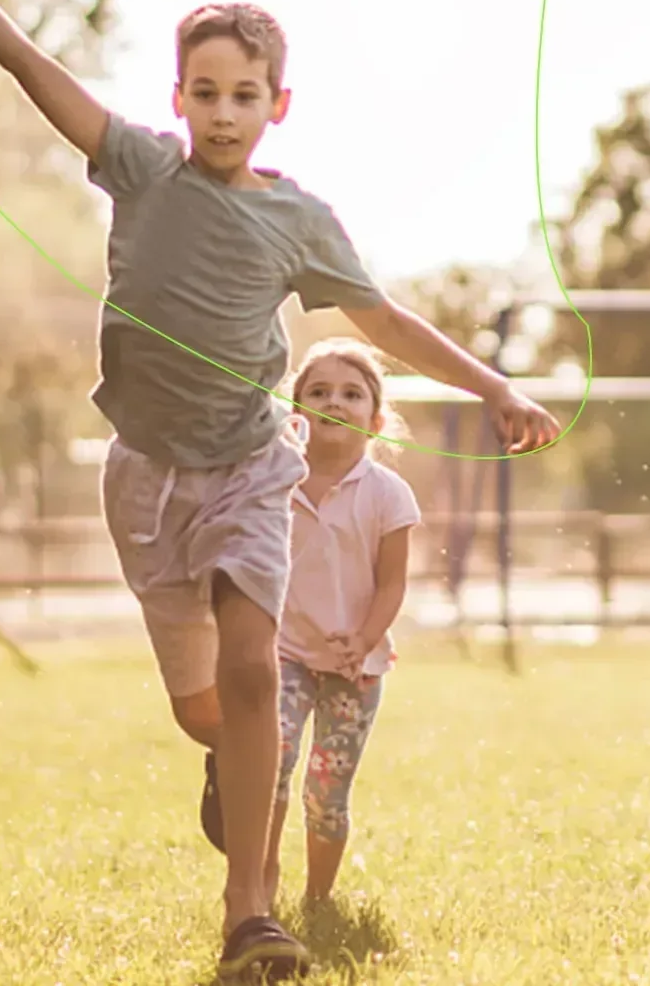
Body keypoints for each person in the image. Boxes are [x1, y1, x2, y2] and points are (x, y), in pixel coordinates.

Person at [0, 0, 560, 982]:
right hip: (145, 481)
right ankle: (226, 771)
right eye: (207, 91)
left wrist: (493, 387)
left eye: (247, 93)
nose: (226, 110)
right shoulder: (141, 167)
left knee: (253, 675)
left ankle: (251, 912)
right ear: (180, 97)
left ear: (278, 102)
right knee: (209, 713)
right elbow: (25, 61)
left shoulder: (299, 219)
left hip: (250, 469)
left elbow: (383, 317)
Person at [200, 339, 420, 910]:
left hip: (356, 668)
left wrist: (364, 639)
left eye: (351, 394)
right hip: (286, 654)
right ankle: (259, 883)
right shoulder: (276, 482)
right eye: (318, 392)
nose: (335, 402)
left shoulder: (387, 494)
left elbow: (392, 582)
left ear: (375, 419)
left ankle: (317, 899)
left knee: (327, 794)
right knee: (271, 762)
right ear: (294, 415)